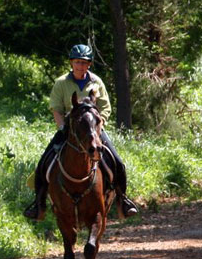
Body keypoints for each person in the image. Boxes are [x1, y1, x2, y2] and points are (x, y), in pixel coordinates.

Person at [23, 43, 139, 221]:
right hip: (69, 130)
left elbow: (105, 108)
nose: (80, 66)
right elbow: (56, 108)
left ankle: (123, 200)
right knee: (43, 163)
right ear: (71, 63)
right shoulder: (61, 83)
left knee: (117, 162)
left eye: (84, 62)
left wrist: (98, 127)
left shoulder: (97, 82)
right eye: (77, 62)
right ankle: (38, 204)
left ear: (89, 64)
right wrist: (63, 128)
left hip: (94, 129)